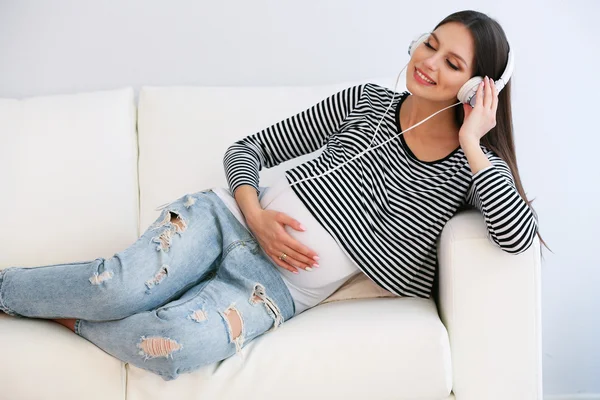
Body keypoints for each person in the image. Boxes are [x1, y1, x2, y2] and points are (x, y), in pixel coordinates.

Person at [0, 10, 547, 381]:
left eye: (452, 64)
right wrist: (256, 215)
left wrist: (475, 144)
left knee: (171, 350)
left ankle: (65, 316)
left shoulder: (471, 171)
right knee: (118, 285)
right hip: (226, 221)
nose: (428, 62)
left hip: (272, 289)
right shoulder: (364, 102)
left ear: (481, 88)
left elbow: (517, 239)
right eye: (430, 43)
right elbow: (245, 152)